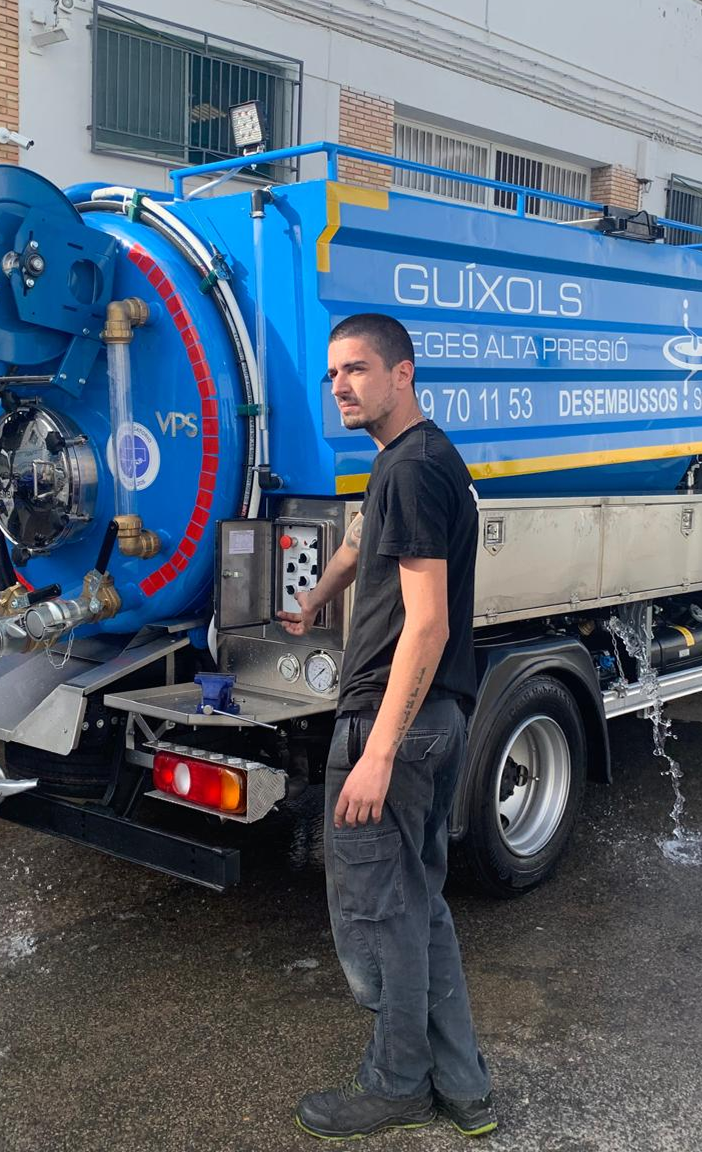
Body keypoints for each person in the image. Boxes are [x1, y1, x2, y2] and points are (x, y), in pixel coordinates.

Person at [278, 312, 494, 1141]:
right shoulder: (418, 460)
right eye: (333, 373)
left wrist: (376, 751)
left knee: (379, 916)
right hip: (435, 722)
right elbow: (368, 540)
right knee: (420, 907)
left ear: (403, 374)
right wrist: (318, 599)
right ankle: (465, 1088)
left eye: (358, 370)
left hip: (395, 728)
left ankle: (397, 1082)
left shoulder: (409, 470)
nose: (341, 386)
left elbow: (428, 625)